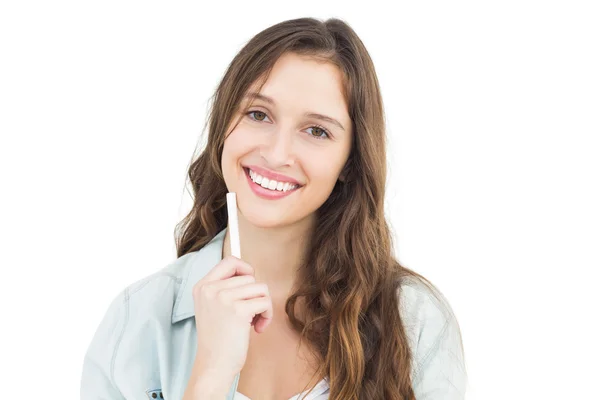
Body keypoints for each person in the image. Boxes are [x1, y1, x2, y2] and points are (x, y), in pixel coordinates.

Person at [80, 17, 467, 400]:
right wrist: (210, 375)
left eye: (317, 131)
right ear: (222, 126)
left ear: (350, 162)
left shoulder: (415, 321)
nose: (277, 153)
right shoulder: (137, 321)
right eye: (258, 114)